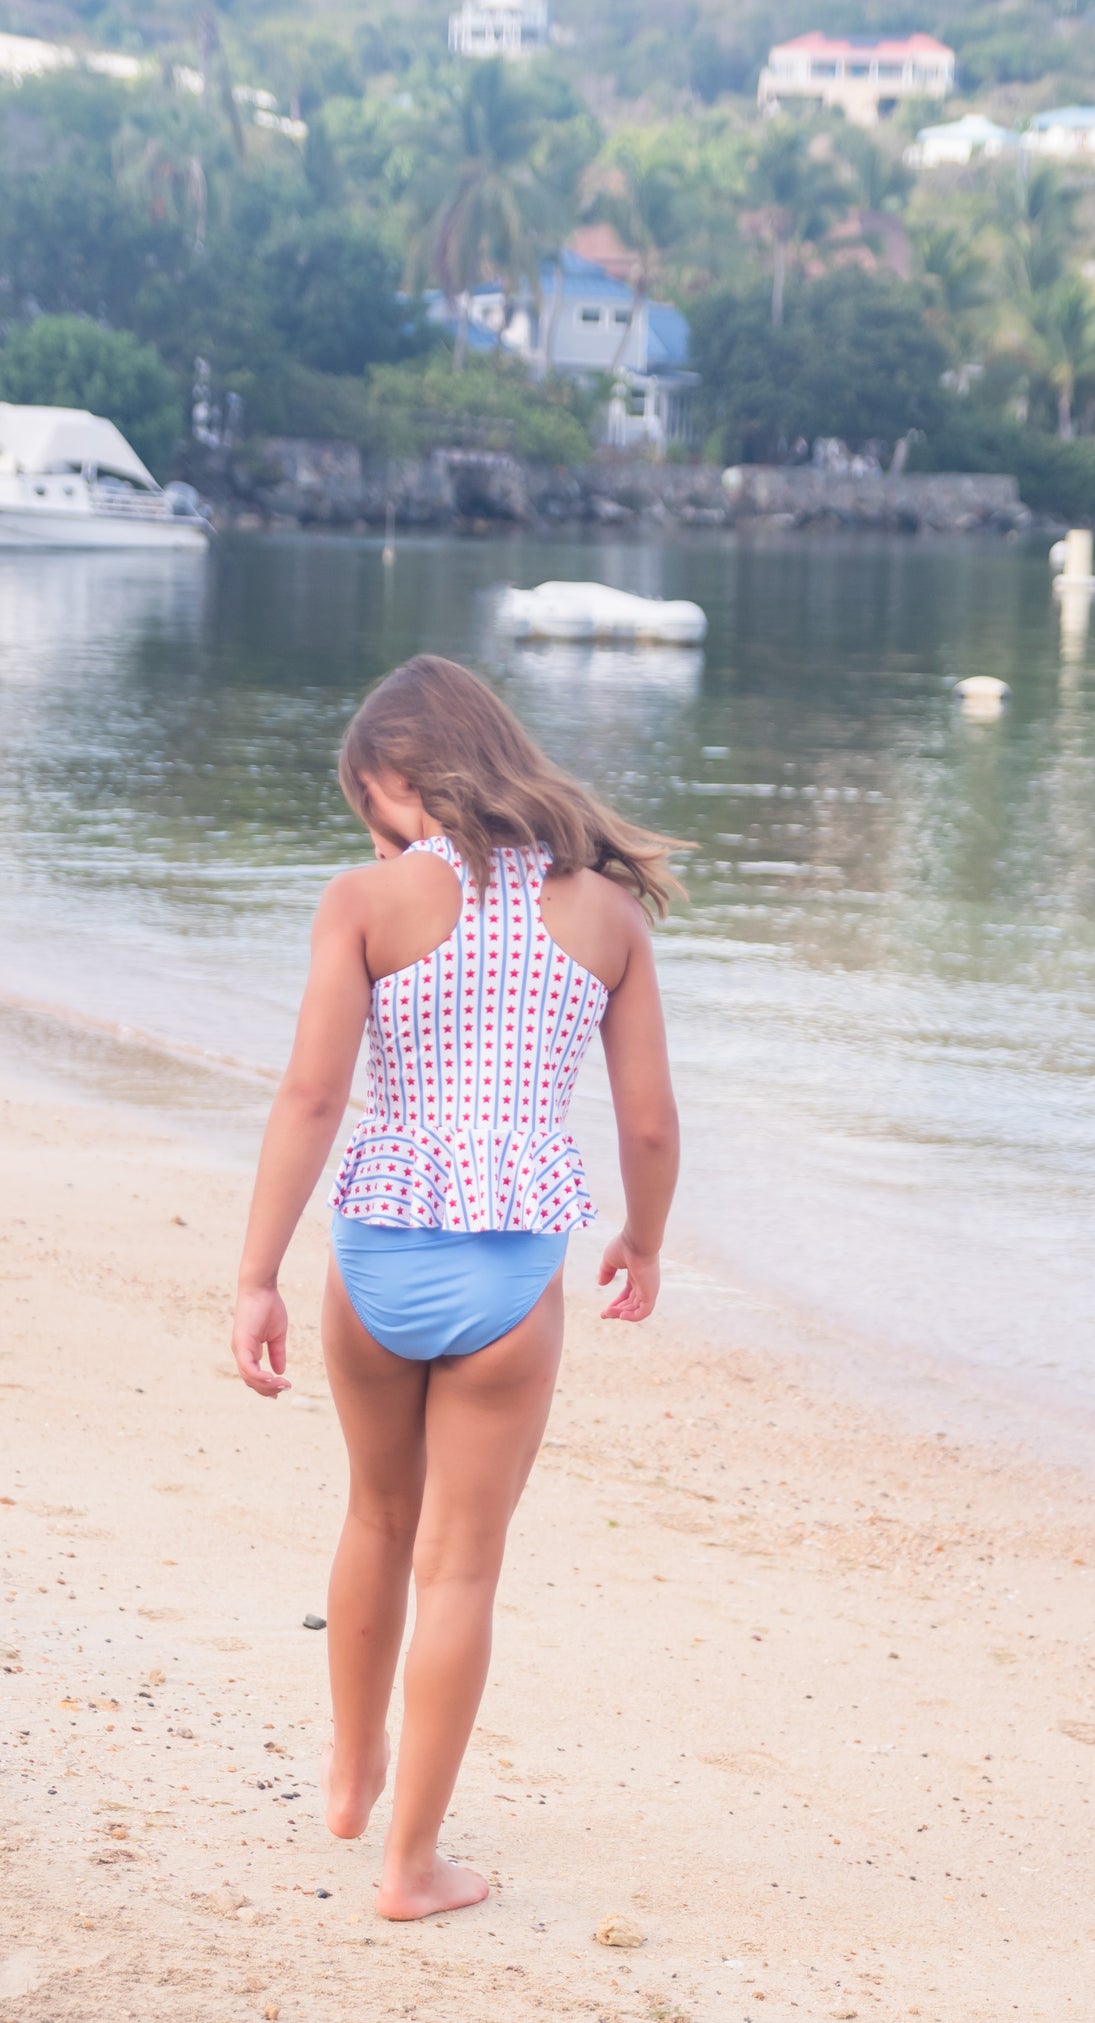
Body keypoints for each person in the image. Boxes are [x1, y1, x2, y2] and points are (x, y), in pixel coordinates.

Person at [229, 655, 681, 1920]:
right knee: (462, 1566)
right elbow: (647, 1123)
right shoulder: (602, 916)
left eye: (375, 805)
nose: (373, 830)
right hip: (509, 1272)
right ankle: (410, 1865)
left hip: (373, 1251)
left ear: (410, 778)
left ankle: (350, 1761)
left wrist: (257, 1273)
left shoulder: (364, 903)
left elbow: (312, 1096)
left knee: (374, 1515)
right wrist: (643, 1241)